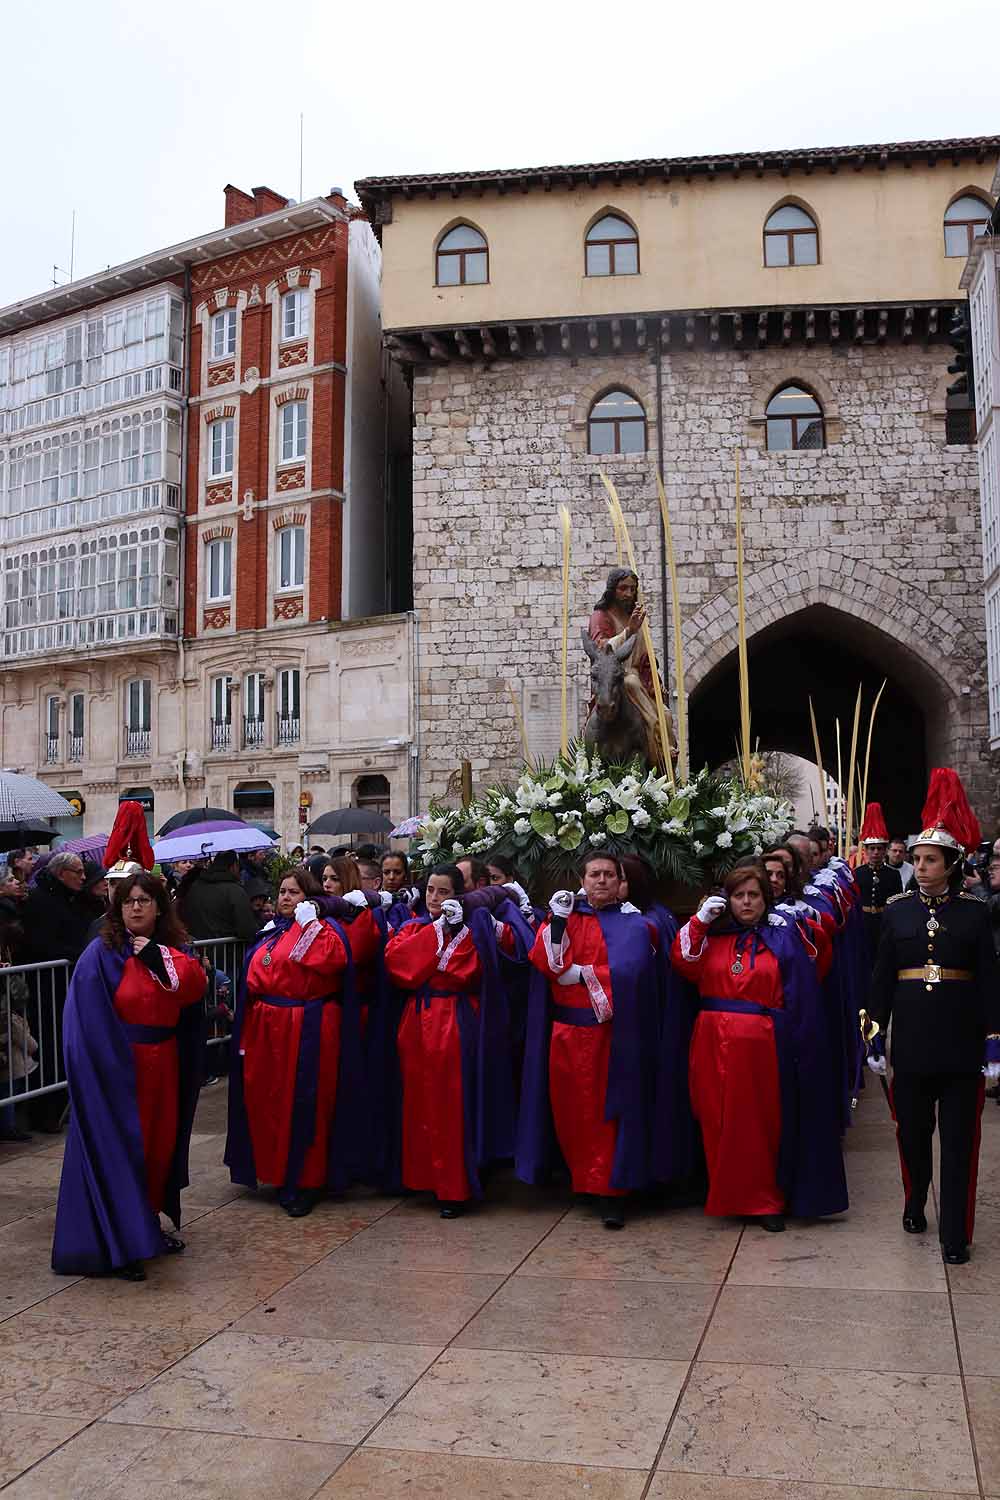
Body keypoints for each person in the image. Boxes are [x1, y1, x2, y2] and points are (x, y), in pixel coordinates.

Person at [866, 768, 1000, 1265]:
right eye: (917, 860)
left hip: (962, 1047)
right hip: (914, 1046)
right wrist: (873, 1034)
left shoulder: (973, 913)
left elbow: (989, 979)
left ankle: (955, 1236)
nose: (920, 867)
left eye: (930, 860)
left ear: (950, 863)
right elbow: (881, 980)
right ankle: (914, 1197)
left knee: (961, 1144)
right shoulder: (898, 912)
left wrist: (994, 1040)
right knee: (913, 1134)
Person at [671, 863, 847, 1232]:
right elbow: (683, 962)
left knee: (761, 1123)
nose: (746, 902)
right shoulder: (712, 936)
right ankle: (727, 1196)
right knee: (718, 1120)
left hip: (765, 1046)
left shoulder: (783, 938)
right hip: (711, 1042)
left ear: (766, 899)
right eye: (738, 896)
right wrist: (701, 921)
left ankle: (764, 1200)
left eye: (753, 895)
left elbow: (801, 994)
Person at [51, 872, 206, 1280]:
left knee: (156, 1151)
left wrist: (158, 956)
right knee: (124, 1153)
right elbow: (84, 1021)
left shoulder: (172, 948)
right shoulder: (100, 954)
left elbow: (193, 987)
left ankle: (145, 1228)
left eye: (144, 900)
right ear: (117, 909)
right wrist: (103, 1071)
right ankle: (121, 1244)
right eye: (128, 901)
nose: (136, 907)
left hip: (164, 1065)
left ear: (159, 906)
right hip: (120, 1071)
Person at [517, 853, 661, 1229]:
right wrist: (559, 924)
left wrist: (581, 974)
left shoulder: (633, 923)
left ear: (619, 881)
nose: (601, 881)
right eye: (594, 874)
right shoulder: (566, 916)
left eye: (609, 875)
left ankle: (611, 1193)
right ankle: (584, 1180)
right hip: (565, 1033)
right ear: (582, 879)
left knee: (605, 1115)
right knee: (572, 1112)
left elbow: (629, 971)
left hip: (609, 1035)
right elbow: (546, 963)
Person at [384, 864, 530, 1217]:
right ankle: (423, 1179)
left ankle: (454, 1186)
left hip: (455, 1020)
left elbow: (466, 969)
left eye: (444, 892)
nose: (435, 898)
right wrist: (436, 930)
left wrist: (453, 933)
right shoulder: (413, 926)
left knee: (451, 1105)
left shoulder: (471, 930)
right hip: (417, 1020)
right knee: (418, 1101)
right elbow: (399, 964)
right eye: (431, 890)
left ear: (458, 895)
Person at [225, 866, 365, 1216]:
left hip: (306, 1026)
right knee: (269, 1101)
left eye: (294, 893)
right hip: (266, 1028)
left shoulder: (323, 930)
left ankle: (306, 1180)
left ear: (310, 898)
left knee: (306, 1103)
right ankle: (275, 1170)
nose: (285, 898)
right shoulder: (271, 931)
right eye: (282, 892)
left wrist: (310, 923)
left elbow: (331, 961)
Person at [588, 567, 676, 768]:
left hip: (640, 678)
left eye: (632, 589)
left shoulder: (635, 619)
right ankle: (657, 735)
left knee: (668, 714)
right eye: (623, 588)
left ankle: (665, 748)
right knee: (631, 682)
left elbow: (646, 658)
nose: (628, 593)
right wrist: (629, 631)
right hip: (612, 677)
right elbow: (602, 648)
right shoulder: (600, 616)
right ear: (613, 590)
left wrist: (656, 682)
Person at [855, 804, 904, 962]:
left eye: (879, 849)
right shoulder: (857, 873)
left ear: (885, 851)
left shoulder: (893, 874)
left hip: (884, 923)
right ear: (866, 850)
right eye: (872, 848)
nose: (875, 852)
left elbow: (897, 903)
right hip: (863, 924)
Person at [177, 850, 259, 943]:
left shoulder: (195, 886)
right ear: (233, 866)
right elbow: (247, 929)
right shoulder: (235, 890)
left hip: (198, 949)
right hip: (228, 952)